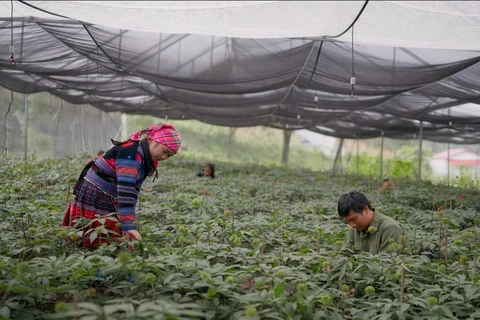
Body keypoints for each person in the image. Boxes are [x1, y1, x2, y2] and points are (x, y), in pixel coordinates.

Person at [62, 122, 182, 249]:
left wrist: (127, 221)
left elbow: (133, 190)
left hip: (108, 193)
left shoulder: (144, 158)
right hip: (96, 193)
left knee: (107, 238)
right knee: (99, 239)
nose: (164, 157)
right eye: (164, 151)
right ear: (154, 141)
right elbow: (126, 189)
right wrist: (128, 225)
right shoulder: (132, 153)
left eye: (169, 155)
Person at [337, 191, 405, 254]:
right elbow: (345, 254)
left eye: (354, 219)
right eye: (348, 221)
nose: (352, 225)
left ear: (366, 209)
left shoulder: (390, 228)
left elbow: (387, 263)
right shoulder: (354, 229)